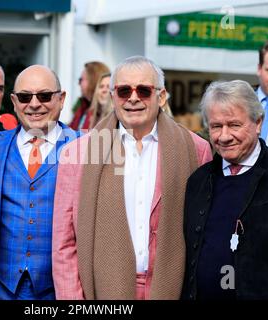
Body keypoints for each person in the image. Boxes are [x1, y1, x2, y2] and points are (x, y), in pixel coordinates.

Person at [52, 56, 212, 300]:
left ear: (161, 96)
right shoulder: (78, 153)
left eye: (144, 91)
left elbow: (205, 234)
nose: (133, 98)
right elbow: (64, 243)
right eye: (124, 90)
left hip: (173, 289)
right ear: (113, 96)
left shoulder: (196, 149)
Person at [182, 80, 268, 300]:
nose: (225, 136)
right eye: (216, 126)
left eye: (234, 125)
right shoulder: (198, 182)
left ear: (258, 123)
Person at [0, 65, 80, 300]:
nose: (34, 104)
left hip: (57, 290)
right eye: (24, 97)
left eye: (44, 96)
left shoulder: (83, 147)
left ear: (61, 99)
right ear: (13, 101)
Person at [69, 61, 110, 130]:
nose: (79, 83)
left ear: (92, 81)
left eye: (81, 79)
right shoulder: (83, 106)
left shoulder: (103, 113)